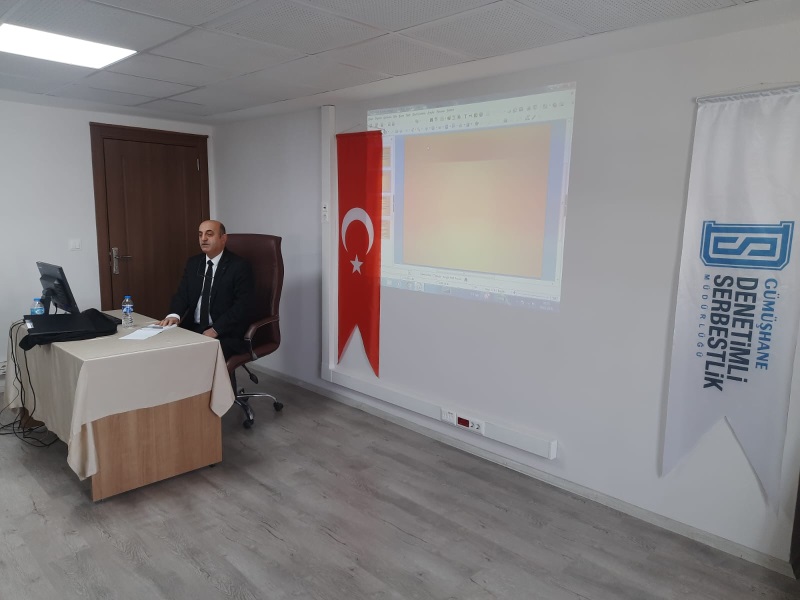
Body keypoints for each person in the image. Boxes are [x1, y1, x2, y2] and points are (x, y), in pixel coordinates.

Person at [159, 220, 253, 359]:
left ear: (223, 238)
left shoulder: (239, 266)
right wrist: (174, 315)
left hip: (225, 332)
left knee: (196, 357)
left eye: (209, 234)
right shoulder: (194, 263)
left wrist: (216, 330)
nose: (203, 239)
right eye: (200, 234)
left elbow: (242, 306)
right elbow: (182, 294)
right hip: (193, 327)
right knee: (163, 348)